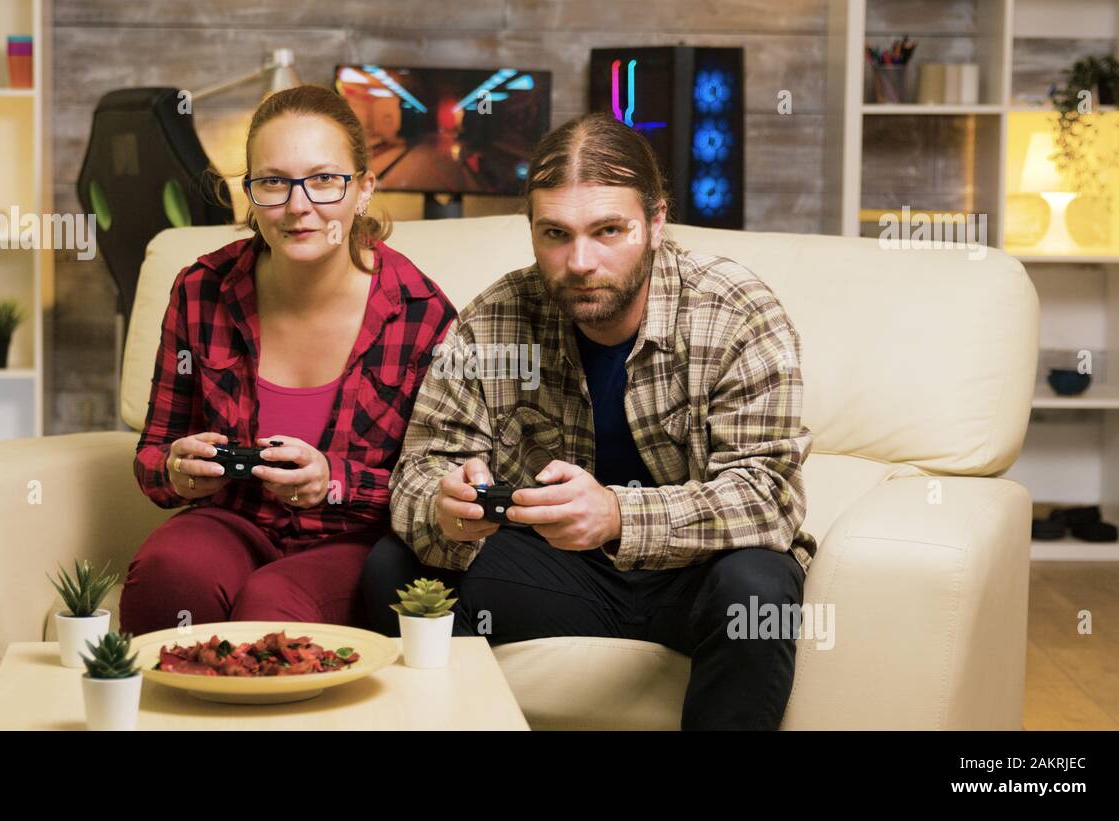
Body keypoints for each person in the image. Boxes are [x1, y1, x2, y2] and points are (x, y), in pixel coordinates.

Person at [362, 113, 817, 730]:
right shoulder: (497, 318)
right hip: (565, 578)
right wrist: (445, 510)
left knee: (758, 587)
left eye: (608, 230)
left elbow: (769, 496)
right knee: (393, 568)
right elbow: (419, 469)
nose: (580, 261)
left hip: (697, 578)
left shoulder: (735, 311)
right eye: (555, 234)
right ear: (531, 231)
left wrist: (618, 515)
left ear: (657, 222)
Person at [120, 85, 455, 636]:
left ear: (364, 189)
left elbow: (436, 488)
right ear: (250, 193)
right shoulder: (200, 290)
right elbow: (153, 454)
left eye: (325, 179)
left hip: (354, 538)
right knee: (170, 572)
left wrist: (334, 481)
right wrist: (177, 472)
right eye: (273, 182)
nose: (299, 206)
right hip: (234, 519)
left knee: (272, 603)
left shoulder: (422, 314)